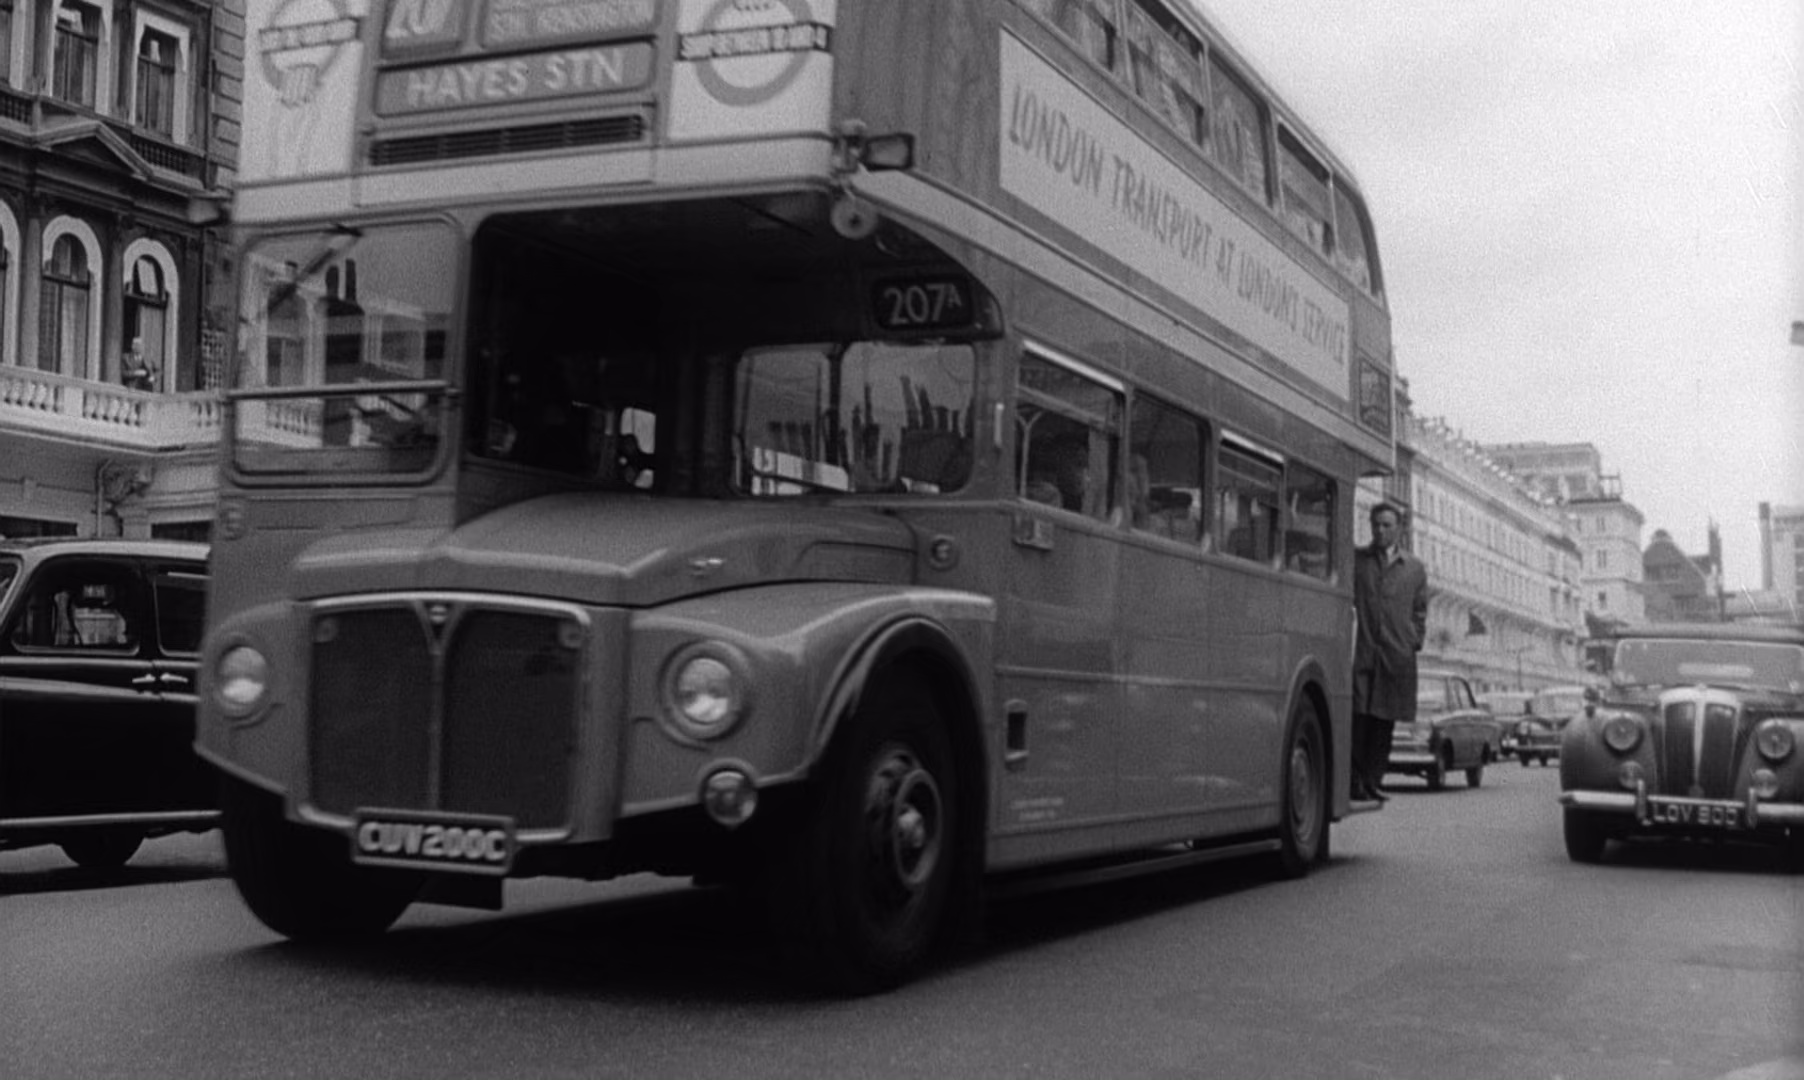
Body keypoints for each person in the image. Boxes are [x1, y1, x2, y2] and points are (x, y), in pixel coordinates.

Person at [1351, 501, 1428, 802]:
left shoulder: (1414, 568)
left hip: (1396, 657)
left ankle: (1373, 780)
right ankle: (1355, 782)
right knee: (1359, 719)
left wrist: (1413, 641)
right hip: (1362, 653)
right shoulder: (1358, 560)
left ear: (1399, 529)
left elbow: (1420, 611)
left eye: (1387, 525)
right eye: (1376, 525)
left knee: (1385, 723)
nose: (1380, 530)